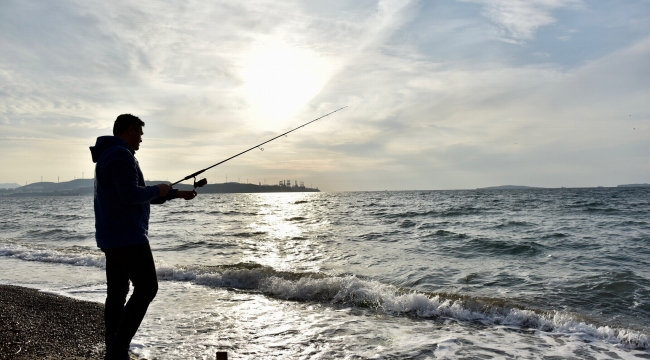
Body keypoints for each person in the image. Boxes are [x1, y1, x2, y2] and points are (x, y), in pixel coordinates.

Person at [89, 114, 197, 360]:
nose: (141, 139)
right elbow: (130, 195)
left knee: (117, 293)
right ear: (129, 130)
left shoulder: (109, 154)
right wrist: (157, 189)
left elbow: (137, 194)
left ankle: (113, 348)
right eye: (139, 134)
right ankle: (118, 348)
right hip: (128, 236)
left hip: (111, 237)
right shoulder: (120, 155)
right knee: (147, 288)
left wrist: (175, 193)